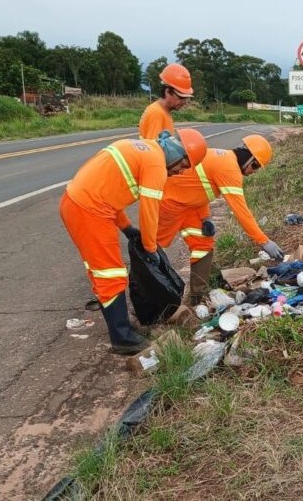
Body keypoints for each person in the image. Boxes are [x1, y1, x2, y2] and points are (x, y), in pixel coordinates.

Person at [60, 128, 208, 355]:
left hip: (77, 204)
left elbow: (108, 191)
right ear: (179, 154)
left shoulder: (143, 149)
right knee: (111, 275)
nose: (180, 172)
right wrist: (150, 248)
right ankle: (122, 338)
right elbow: (150, 212)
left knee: (101, 272)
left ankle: (120, 326)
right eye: (184, 166)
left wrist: (127, 228)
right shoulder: (156, 165)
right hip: (91, 212)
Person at [158, 134, 284, 306]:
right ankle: (152, 301)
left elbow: (196, 188)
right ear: (249, 159)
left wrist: (205, 217)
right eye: (255, 167)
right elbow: (241, 211)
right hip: (170, 203)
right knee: (153, 250)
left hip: (189, 205)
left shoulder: (223, 157)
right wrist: (264, 241)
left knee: (203, 246)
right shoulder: (230, 169)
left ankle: (195, 299)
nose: (253, 173)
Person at [140, 63, 194, 140]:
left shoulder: (164, 112)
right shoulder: (157, 113)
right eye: (181, 97)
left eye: (186, 98)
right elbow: (155, 148)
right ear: (168, 92)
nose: (184, 102)